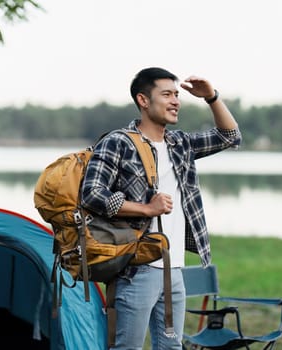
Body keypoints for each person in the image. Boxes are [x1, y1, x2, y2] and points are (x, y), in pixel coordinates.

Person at [80, 67, 241, 349]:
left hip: (173, 268)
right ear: (143, 100)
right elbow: (91, 195)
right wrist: (145, 209)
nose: (176, 101)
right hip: (135, 269)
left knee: (171, 348)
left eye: (177, 95)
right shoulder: (118, 142)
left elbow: (230, 136)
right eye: (167, 94)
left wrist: (212, 97)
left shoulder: (179, 144)